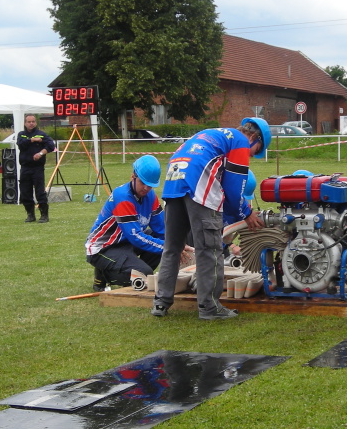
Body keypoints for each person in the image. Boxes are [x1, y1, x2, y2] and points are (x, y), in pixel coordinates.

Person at [152, 118, 269, 320]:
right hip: (199, 186)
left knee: (172, 248)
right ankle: (209, 307)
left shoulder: (213, 133)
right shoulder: (240, 141)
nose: (251, 155)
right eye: (256, 150)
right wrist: (247, 213)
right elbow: (233, 188)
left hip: (173, 185)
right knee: (209, 250)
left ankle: (161, 302)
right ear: (254, 137)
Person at [85, 155, 173, 292]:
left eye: (150, 185)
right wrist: (170, 248)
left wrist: (175, 244)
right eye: (142, 183)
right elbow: (135, 237)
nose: (146, 188)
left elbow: (162, 229)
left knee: (157, 241)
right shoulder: (122, 197)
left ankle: (133, 272)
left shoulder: (151, 196)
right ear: (133, 176)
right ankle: (103, 274)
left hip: (125, 242)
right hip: (103, 247)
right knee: (144, 273)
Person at [16, 114, 57, 223]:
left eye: (33, 121)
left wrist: (40, 153)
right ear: (25, 123)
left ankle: (44, 215)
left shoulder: (42, 134)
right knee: (25, 192)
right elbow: (20, 144)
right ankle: (30, 214)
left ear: (36, 122)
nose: (31, 123)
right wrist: (33, 140)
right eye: (29, 122)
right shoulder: (21, 134)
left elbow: (51, 146)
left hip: (37, 168)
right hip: (25, 167)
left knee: (40, 192)